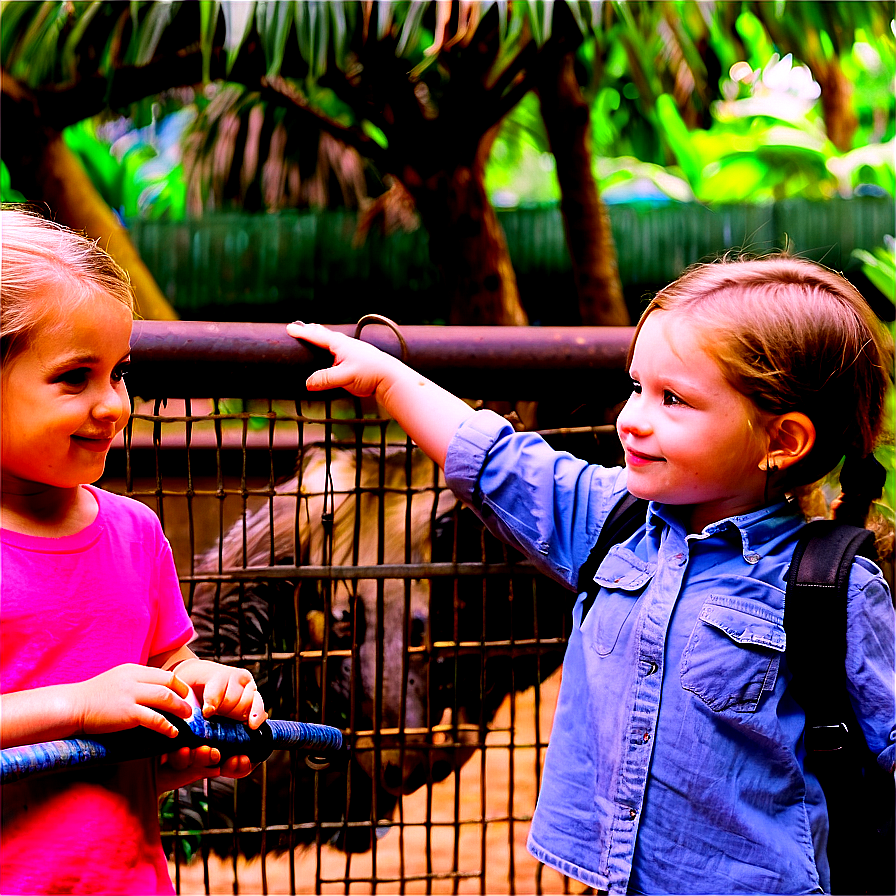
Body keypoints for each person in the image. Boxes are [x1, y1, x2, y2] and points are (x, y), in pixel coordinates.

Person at [288, 254, 895, 896]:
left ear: (784, 440)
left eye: (674, 400)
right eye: (636, 386)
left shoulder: (832, 590)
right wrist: (388, 382)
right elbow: (496, 460)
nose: (632, 417)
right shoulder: (613, 522)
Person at [0, 206, 268, 895]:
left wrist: (205, 696)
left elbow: (162, 672)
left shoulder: (135, 534)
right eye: (75, 377)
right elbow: (96, 704)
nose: (114, 403)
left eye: (118, 372)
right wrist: (82, 706)